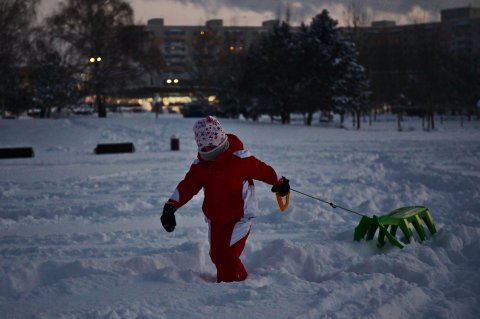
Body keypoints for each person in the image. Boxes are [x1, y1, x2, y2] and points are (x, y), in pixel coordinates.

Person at [160, 116, 290, 283]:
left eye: (212, 145)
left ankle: (236, 287)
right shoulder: (200, 166)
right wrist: (171, 206)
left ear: (221, 140)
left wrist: (279, 182)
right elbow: (187, 186)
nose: (208, 149)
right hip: (216, 219)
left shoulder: (239, 159)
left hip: (239, 217)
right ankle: (225, 285)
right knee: (216, 255)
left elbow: (262, 170)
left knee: (228, 255)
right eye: (203, 146)